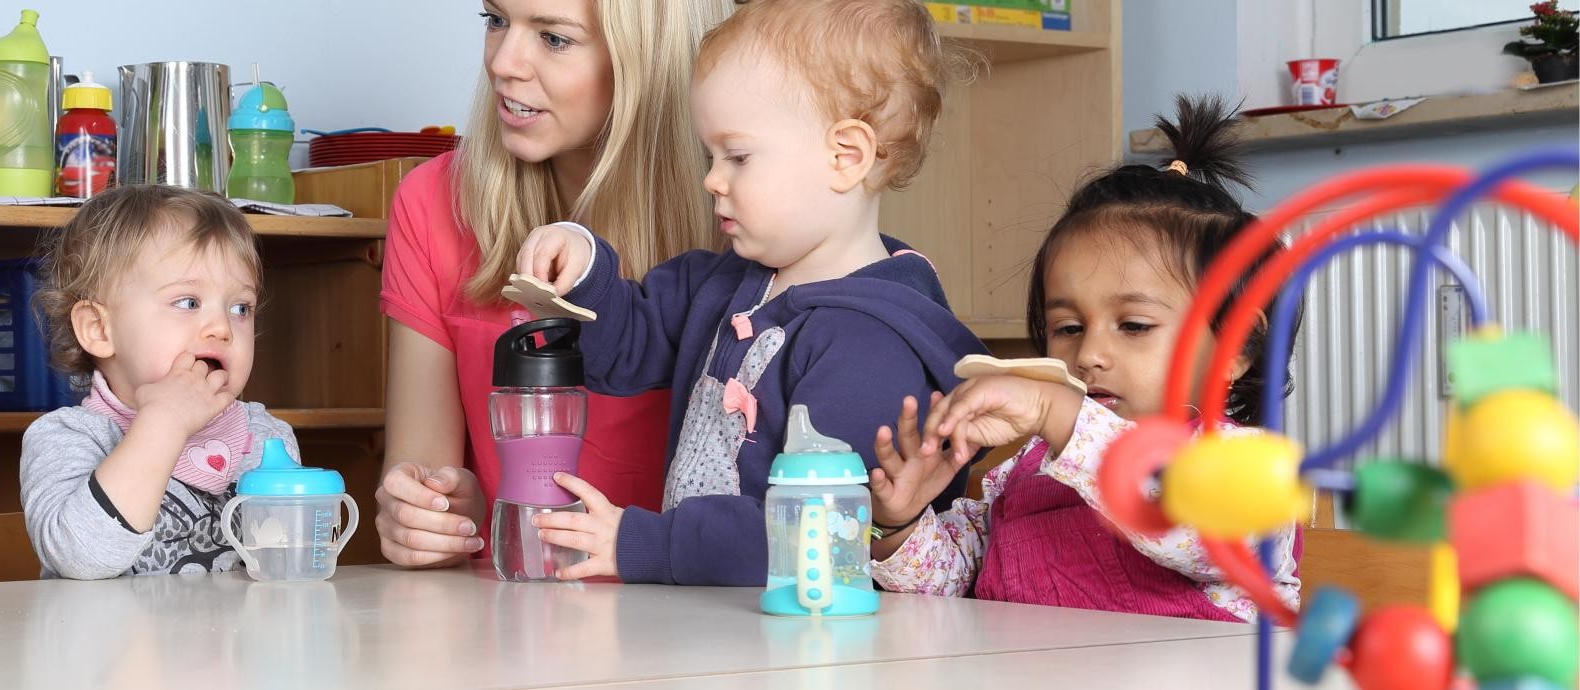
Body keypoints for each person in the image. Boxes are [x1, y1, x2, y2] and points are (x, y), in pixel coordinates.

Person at [517, 0, 985, 585]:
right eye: (710, 156)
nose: (712, 179)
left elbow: (819, 533)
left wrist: (647, 543)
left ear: (846, 156)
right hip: (712, 621)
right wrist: (586, 268)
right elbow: (623, 352)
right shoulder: (722, 281)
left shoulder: (872, 344)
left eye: (737, 156)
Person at [868, 95, 1304, 622]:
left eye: (1135, 326)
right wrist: (900, 524)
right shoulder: (1029, 470)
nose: (1090, 354)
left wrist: (1062, 416)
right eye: (1068, 328)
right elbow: (958, 583)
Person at [374, 0, 731, 568]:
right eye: (495, 20)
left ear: (650, 61)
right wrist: (424, 517)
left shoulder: (746, 223)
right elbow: (423, 479)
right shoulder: (432, 204)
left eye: (555, 39)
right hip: (513, 622)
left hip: (704, 628)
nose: (504, 62)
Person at [21, 185, 298, 579]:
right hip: (107, 641)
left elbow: (288, 572)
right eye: (188, 302)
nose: (221, 327)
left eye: (240, 308)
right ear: (99, 328)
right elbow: (79, 558)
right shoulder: (67, 437)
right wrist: (164, 423)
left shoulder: (266, 437)